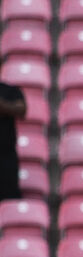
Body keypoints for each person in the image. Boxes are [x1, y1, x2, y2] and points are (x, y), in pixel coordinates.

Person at [0, 71, 27, 201]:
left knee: (9, 198)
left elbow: (22, 109)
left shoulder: (10, 90)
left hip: (5, 156)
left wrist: (3, 106)